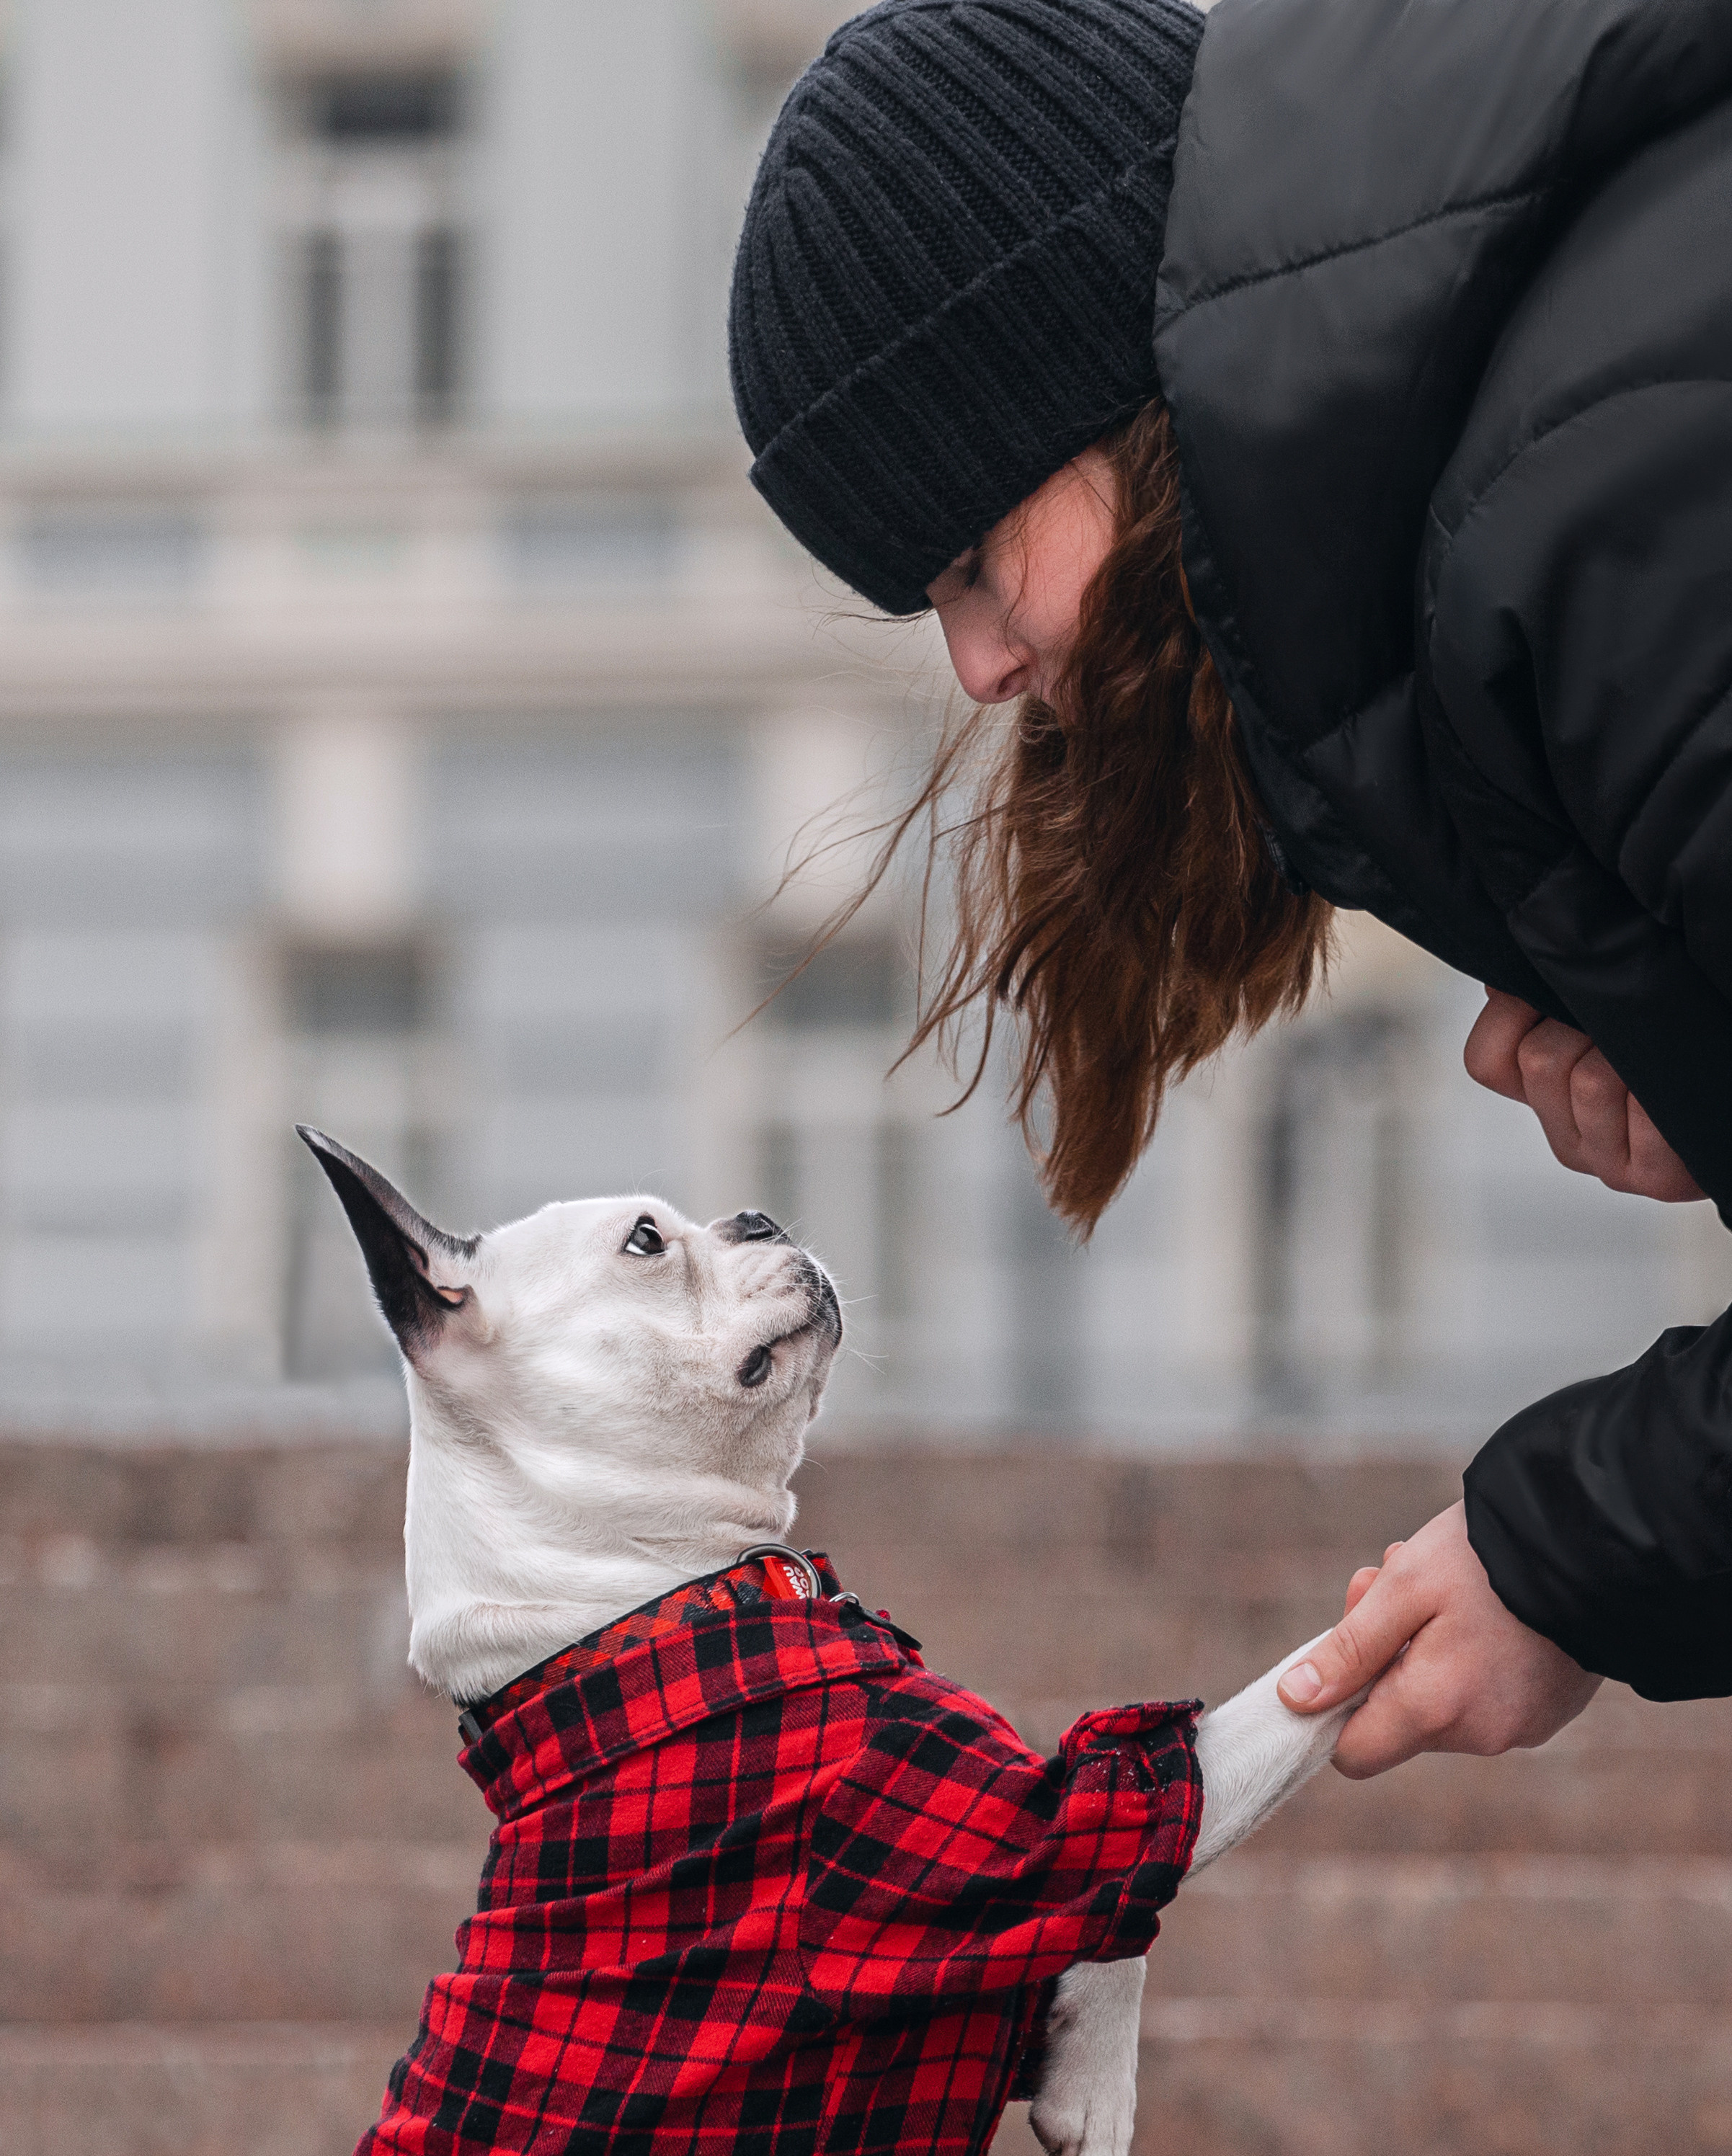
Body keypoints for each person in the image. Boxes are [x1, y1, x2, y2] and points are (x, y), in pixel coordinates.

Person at [728, 0, 1732, 1771]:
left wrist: (1564, 1551)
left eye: (969, 563)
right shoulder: (1549, 414)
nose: (977, 665)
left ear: (1097, 388)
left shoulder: (1594, 510)